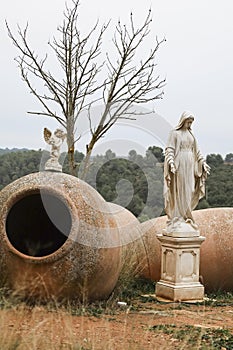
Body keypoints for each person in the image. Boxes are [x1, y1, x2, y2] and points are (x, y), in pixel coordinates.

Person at [164, 111, 210, 230]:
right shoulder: (175, 133)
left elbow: (197, 152)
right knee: (180, 190)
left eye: (191, 122)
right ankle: (178, 217)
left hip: (190, 165)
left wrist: (203, 163)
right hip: (180, 164)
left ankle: (186, 216)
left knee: (189, 190)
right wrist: (171, 163)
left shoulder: (191, 135)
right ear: (183, 121)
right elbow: (169, 149)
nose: (190, 124)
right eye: (188, 122)